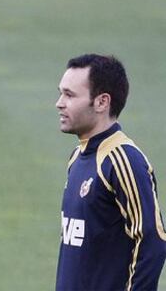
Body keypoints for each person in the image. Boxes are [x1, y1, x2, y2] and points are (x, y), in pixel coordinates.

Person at [55, 54, 166, 290]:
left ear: (102, 102)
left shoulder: (123, 159)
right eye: (61, 93)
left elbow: (152, 240)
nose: (59, 103)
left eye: (70, 95)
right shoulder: (77, 158)